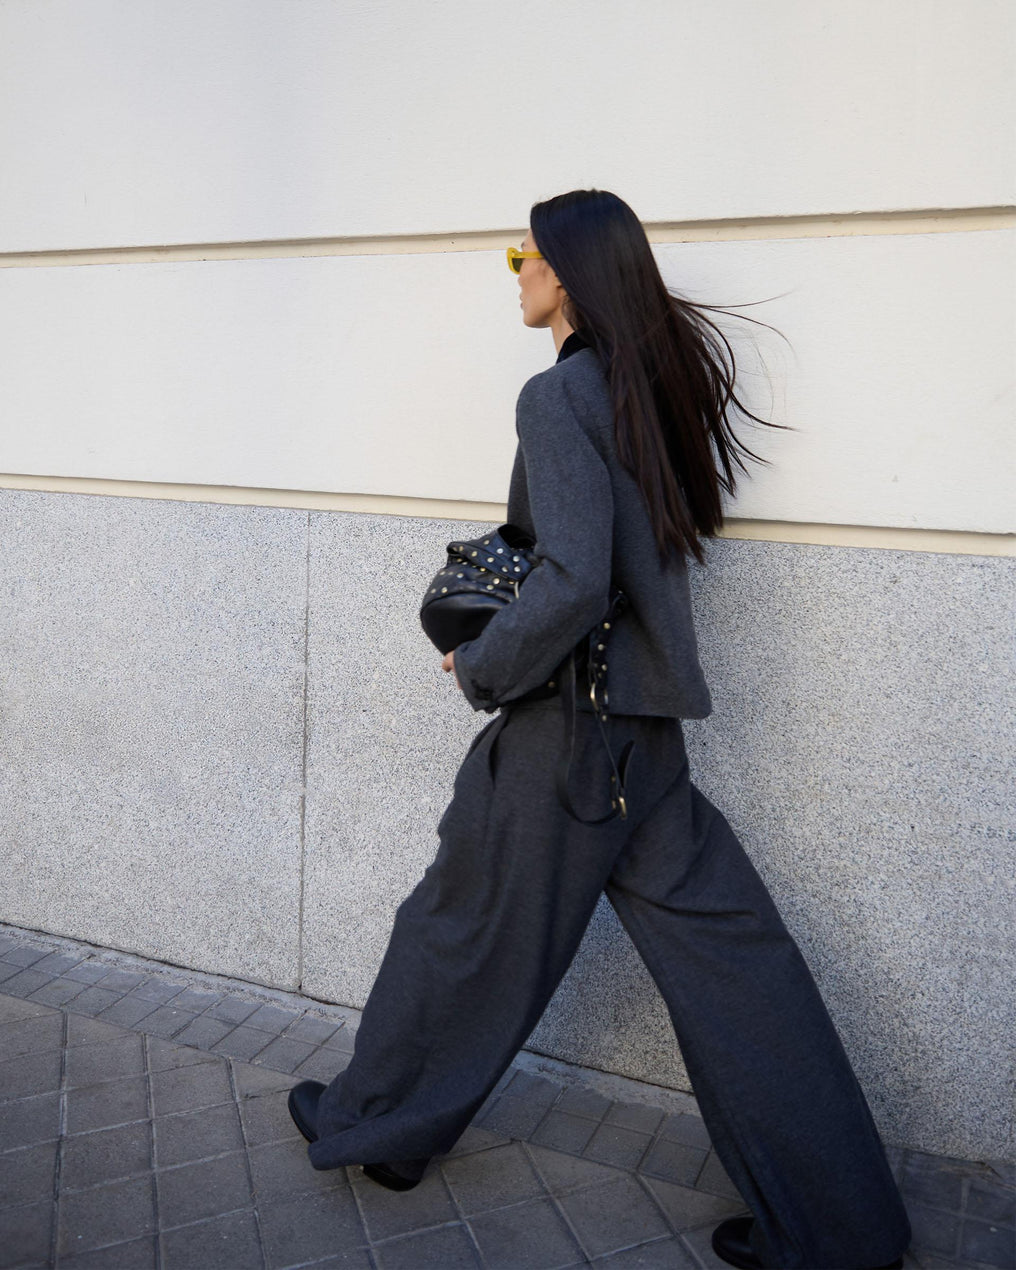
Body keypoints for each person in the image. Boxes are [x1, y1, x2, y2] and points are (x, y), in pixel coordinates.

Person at [286, 189, 912, 1270]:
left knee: (457, 928)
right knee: (739, 974)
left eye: (521, 252)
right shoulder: (644, 396)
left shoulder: (557, 397)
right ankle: (843, 1229)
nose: (513, 270)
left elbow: (574, 579)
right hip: (645, 739)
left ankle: (378, 1128)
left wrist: (481, 663)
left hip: (565, 741)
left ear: (566, 272)